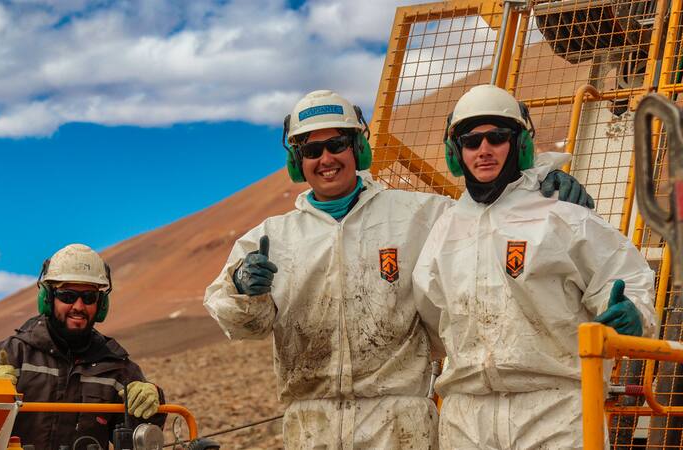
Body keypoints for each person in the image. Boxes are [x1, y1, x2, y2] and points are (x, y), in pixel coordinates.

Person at [204, 89, 594, 449]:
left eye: (337, 144)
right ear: (297, 161)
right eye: (312, 149)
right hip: (310, 426)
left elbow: (489, 210)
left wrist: (539, 179)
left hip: (399, 423)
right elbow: (246, 327)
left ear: (358, 148)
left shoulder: (419, 215)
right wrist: (242, 290)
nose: (326, 159)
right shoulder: (272, 238)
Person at [412, 84, 658, 449]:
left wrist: (633, 315)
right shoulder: (444, 231)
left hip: (556, 412)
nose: (484, 150)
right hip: (466, 418)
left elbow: (625, 280)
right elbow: (434, 320)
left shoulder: (564, 216)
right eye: (471, 141)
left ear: (520, 144)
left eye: (496, 137)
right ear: (455, 152)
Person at [0, 243, 165, 450]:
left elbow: (139, 438)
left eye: (89, 297)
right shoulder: (12, 355)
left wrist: (152, 401)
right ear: (48, 298)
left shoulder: (117, 367)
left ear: (101, 305)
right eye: (68, 296)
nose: (79, 307)